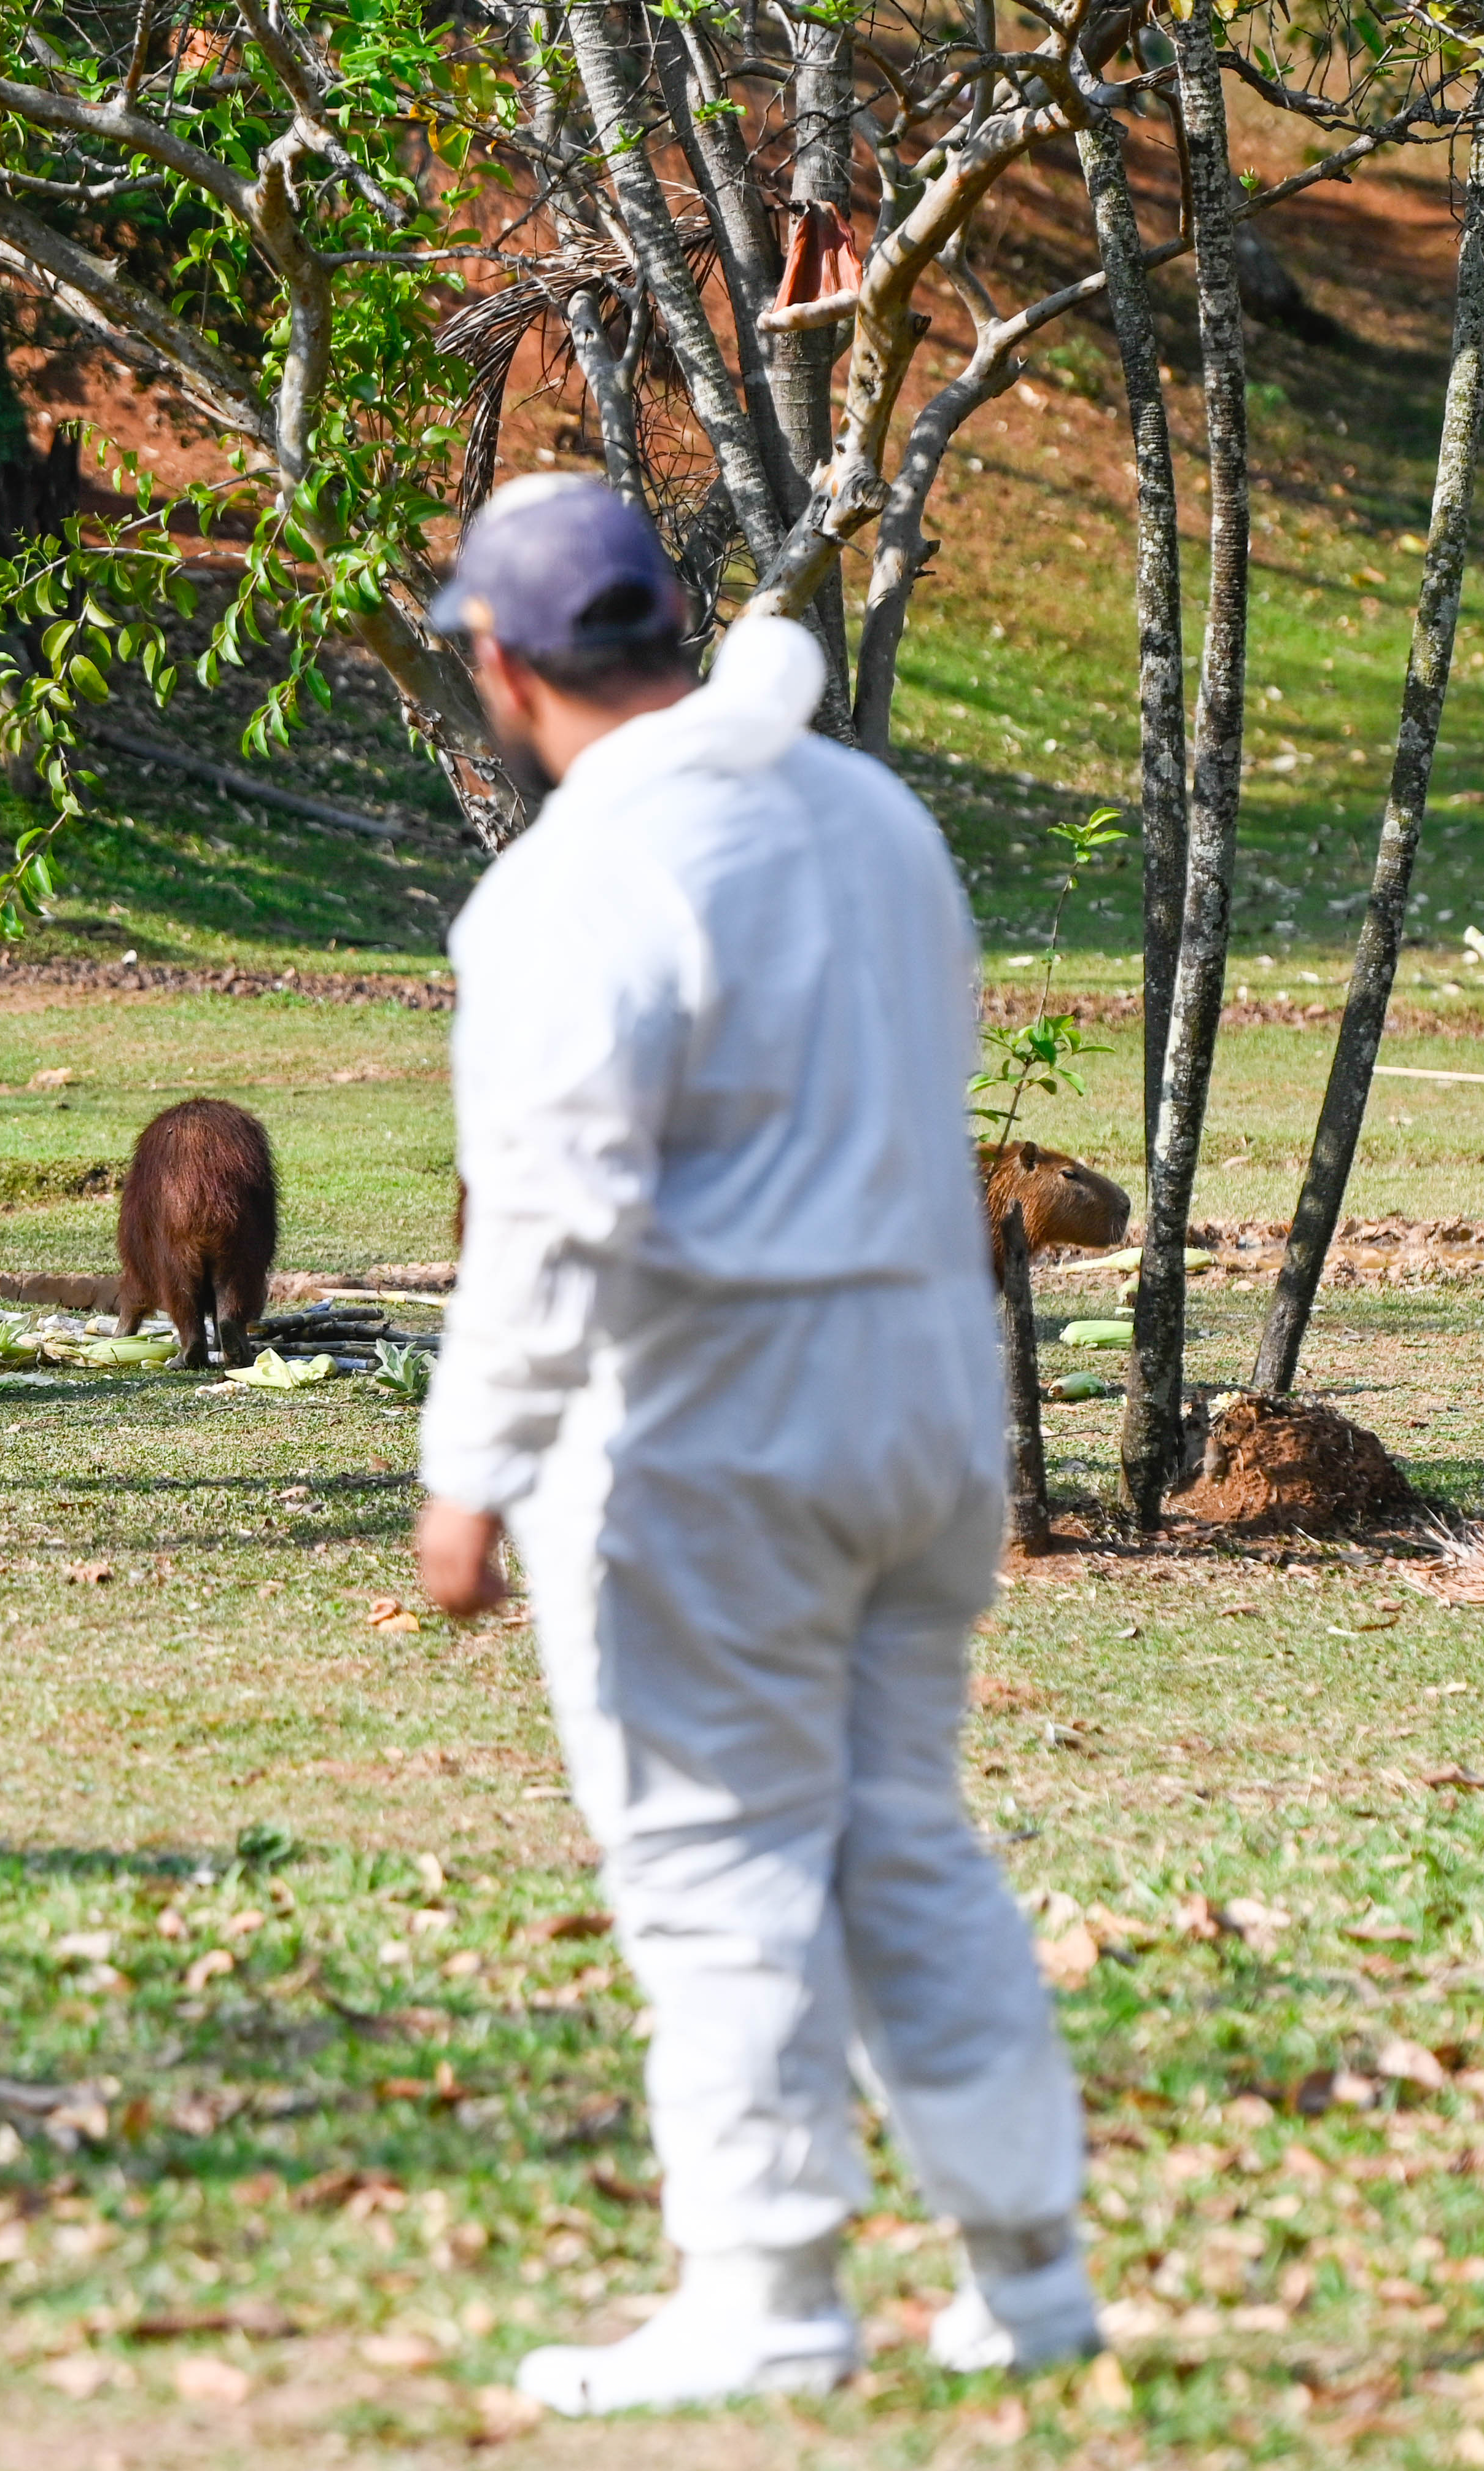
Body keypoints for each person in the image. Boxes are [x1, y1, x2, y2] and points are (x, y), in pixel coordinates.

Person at [411, 473, 1098, 2413]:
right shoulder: (870, 814)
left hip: (712, 1420)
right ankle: (1026, 2263)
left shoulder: (565, 888)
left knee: (715, 1857)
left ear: (500, 660)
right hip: (923, 1403)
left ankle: (769, 2285)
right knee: (898, 1831)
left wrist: (470, 1470)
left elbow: (553, 1208)